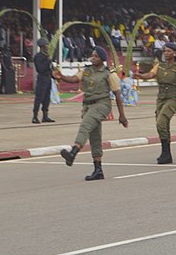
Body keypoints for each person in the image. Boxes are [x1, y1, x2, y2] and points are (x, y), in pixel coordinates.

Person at [55, 46, 128, 181]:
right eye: (92, 56)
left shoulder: (109, 74)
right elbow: (74, 79)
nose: (92, 58)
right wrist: (62, 76)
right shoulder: (87, 71)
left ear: (102, 59)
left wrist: (122, 115)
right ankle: (98, 169)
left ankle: (73, 153)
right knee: (95, 136)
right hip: (88, 105)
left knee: (85, 126)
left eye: (95, 56)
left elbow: (117, 94)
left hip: (102, 104)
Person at [133, 42, 176, 164]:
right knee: (162, 125)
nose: (166, 53)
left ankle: (166, 153)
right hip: (161, 97)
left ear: (175, 53)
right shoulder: (160, 65)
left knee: (161, 122)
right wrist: (140, 76)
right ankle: (166, 153)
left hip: (173, 97)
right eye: (165, 51)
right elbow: (150, 74)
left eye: (169, 51)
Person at [32, 37, 55, 124]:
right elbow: (40, 69)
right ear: (42, 47)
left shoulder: (47, 56)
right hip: (42, 78)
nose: (48, 47)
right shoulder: (38, 56)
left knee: (47, 98)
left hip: (48, 78)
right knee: (39, 97)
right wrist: (48, 61)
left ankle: (45, 115)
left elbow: (50, 68)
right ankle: (35, 116)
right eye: (46, 46)